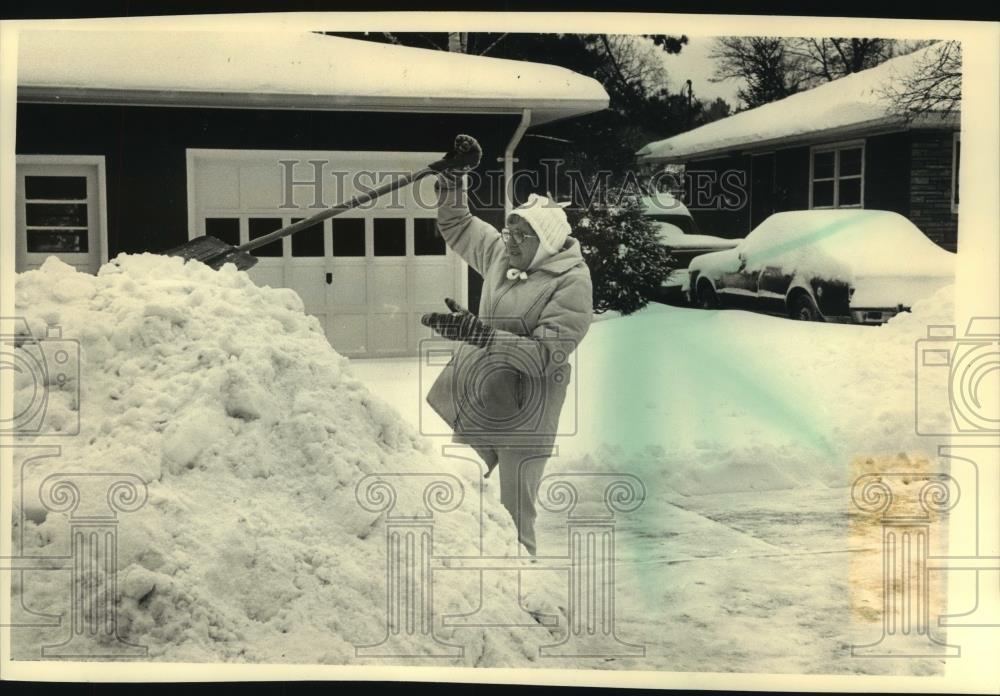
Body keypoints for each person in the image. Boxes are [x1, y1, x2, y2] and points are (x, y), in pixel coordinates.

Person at [421, 135, 594, 556]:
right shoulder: (503, 256)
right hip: (482, 396)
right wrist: (454, 182)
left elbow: (545, 354)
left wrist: (479, 333)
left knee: (515, 513)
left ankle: (526, 594)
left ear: (547, 243)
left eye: (522, 235)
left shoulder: (571, 283)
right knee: (460, 495)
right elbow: (459, 226)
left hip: (527, 414)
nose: (510, 242)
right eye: (508, 230)